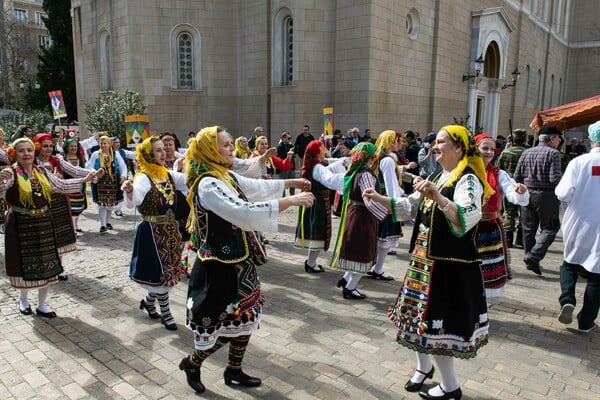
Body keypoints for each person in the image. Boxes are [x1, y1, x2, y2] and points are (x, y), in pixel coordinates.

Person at [179, 126, 314, 394]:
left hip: (241, 262)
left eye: (230, 144)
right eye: (226, 145)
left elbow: (252, 187)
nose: (231, 148)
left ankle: (234, 369)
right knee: (215, 326)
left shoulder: (223, 174)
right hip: (218, 266)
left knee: (245, 319)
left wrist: (289, 184)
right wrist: (291, 201)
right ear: (210, 150)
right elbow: (242, 212)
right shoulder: (208, 183)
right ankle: (193, 363)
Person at [365, 124, 494, 400]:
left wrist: (437, 196)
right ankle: (423, 368)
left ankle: (450, 386)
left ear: (458, 147)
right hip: (424, 262)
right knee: (413, 320)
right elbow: (410, 206)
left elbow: (468, 216)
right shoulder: (438, 174)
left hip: (448, 266)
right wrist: (376, 197)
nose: (435, 146)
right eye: (435, 141)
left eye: (442, 142)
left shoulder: (468, 180)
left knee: (437, 325)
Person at [0, 138, 97, 318]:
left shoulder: (41, 171)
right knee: (24, 264)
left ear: (34, 152)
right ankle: (23, 300)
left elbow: (60, 186)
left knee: (47, 264)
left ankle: (43, 304)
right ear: (15, 154)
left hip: (43, 222)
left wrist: (85, 180)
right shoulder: (11, 173)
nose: (26, 154)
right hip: (21, 224)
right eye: (21, 151)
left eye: (29, 150)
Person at [122, 136, 188, 331]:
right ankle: (166, 313)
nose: (163, 153)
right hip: (152, 231)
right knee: (161, 274)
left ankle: (149, 303)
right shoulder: (143, 177)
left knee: (167, 272)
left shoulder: (166, 174)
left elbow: (187, 181)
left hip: (171, 231)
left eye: (163, 149)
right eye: (158, 150)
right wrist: (129, 190)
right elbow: (134, 200)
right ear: (149, 154)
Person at [555, 121, 600, 334]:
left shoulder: (580, 162)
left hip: (579, 222)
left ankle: (567, 299)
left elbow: (563, 193)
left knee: (570, 263)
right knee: (597, 274)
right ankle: (586, 321)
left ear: (592, 139)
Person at [34, 133, 99, 281]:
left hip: (59, 201)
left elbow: (74, 171)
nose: (49, 149)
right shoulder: (34, 164)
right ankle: (46, 265)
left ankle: (59, 267)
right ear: (37, 147)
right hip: (41, 202)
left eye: (51, 145)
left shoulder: (57, 160)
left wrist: (92, 173)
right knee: (45, 235)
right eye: (45, 146)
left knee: (60, 234)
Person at [330, 142, 388, 300]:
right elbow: (369, 199)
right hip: (362, 215)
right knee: (362, 250)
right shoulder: (366, 174)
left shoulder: (354, 171)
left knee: (355, 248)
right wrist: (387, 212)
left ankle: (346, 279)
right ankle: (350, 288)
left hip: (353, 213)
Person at [474, 133, 529, 297]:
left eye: (492, 149)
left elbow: (513, 194)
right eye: (485, 148)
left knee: (486, 268)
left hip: (489, 227)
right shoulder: (465, 172)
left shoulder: (499, 174)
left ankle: (480, 304)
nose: (489, 152)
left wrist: (520, 191)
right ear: (476, 149)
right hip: (467, 227)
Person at [513, 125, 563, 276]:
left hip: (527, 193)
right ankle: (533, 256)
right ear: (552, 138)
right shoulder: (554, 154)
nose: (560, 141)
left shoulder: (527, 152)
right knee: (550, 228)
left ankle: (529, 257)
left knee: (528, 228)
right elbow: (554, 178)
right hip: (546, 195)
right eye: (558, 137)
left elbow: (516, 176)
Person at [294, 140, 346, 272]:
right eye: (322, 149)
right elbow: (330, 180)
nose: (325, 151)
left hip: (313, 201)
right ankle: (311, 264)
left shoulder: (313, 165)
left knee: (314, 231)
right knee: (318, 232)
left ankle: (311, 262)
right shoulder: (318, 168)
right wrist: (349, 176)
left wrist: (342, 161)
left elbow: (329, 164)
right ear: (317, 153)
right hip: (318, 203)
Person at [369, 130, 406, 281]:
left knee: (379, 238)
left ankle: (373, 267)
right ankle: (378, 269)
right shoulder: (388, 160)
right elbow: (391, 184)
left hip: (378, 201)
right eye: (399, 140)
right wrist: (396, 204)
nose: (401, 143)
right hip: (387, 203)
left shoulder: (378, 158)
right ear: (392, 142)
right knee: (384, 239)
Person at [87, 135, 128, 233]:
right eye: (101, 143)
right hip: (100, 182)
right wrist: (95, 172)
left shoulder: (115, 154)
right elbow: (89, 166)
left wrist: (123, 176)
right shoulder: (96, 154)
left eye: (105, 143)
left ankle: (108, 221)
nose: (103, 145)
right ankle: (103, 225)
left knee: (110, 203)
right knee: (102, 204)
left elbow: (123, 166)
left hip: (113, 181)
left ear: (109, 144)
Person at [497, 128, 528, 248]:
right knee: (524, 213)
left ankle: (508, 239)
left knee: (509, 213)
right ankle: (520, 239)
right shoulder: (528, 152)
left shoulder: (507, 152)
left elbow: (498, 168)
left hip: (509, 185)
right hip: (525, 186)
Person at [61, 138, 88, 233]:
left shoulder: (80, 158)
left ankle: (76, 224)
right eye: (71, 146)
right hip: (68, 185)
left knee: (78, 207)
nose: (74, 148)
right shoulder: (63, 159)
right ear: (67, 147)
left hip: (79, 186)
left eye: (75, 146)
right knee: (71, 208)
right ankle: (72, 227)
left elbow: (84, 170)